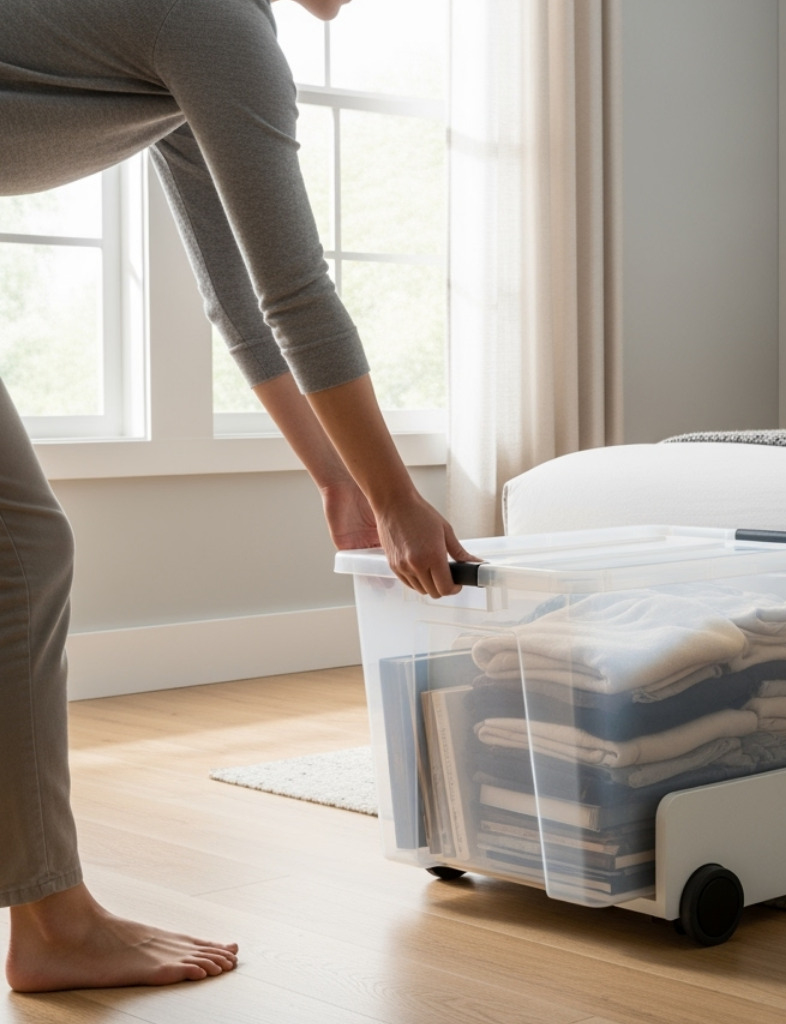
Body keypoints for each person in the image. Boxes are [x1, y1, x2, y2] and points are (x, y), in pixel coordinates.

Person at [1, 0, 472, 992]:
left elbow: (237, 293)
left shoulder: (202, 34)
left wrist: (338, 478)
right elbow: (296, 293)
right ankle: (56, 923)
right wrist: (393, 500)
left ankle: (54, 917)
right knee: (21, 551)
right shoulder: (215, 24)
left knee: (20, 548)